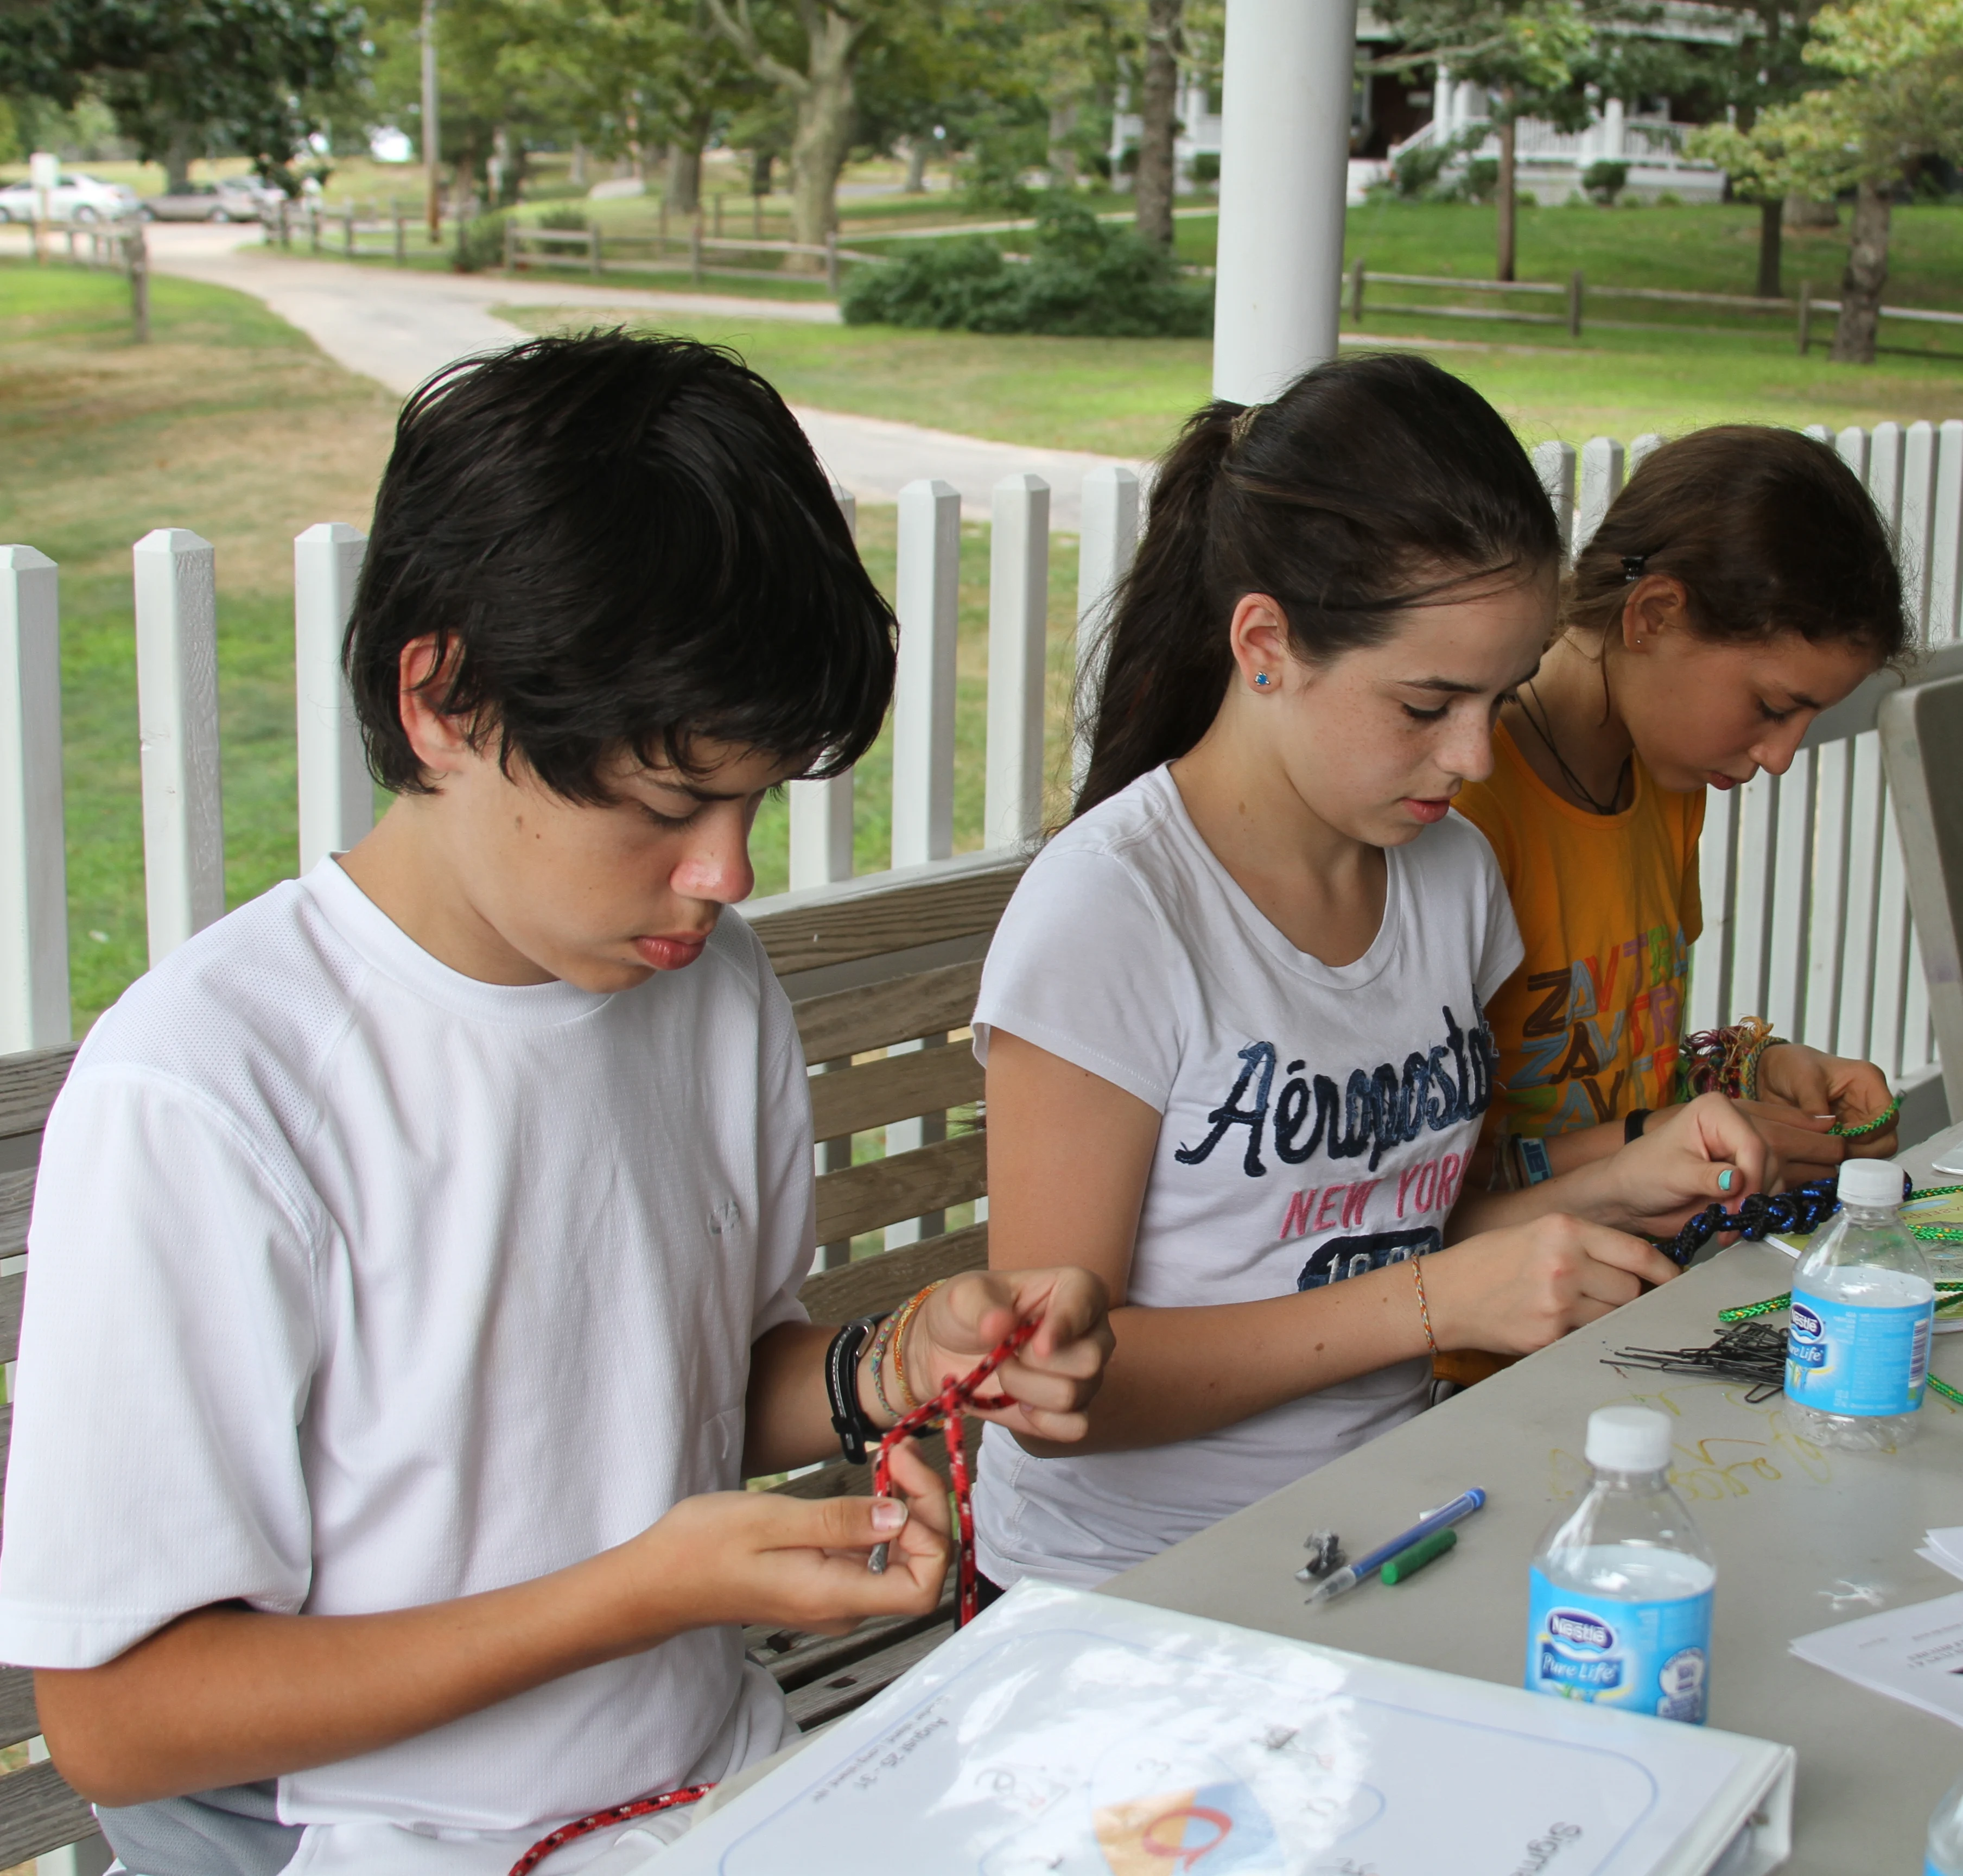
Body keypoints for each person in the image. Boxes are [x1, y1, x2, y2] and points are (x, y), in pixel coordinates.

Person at [0, 334, 1111, 1876]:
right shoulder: (213, 1093)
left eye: (755, 803)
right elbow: (120, 1724)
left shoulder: (701, 989)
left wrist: (881, 1366)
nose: (726, 875)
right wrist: (638, 1593)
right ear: (445, 695)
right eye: (669, 806)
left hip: (724, 1795)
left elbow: (673, 1391)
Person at [968, 354, 1771, 1596]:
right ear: (1264, 644)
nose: (1470, 755)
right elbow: (1051, 1383)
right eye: (1425, 703)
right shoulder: (1115, 913)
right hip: (1131, 1590)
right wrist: (1436, 1307)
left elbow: (1384, 1230)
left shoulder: (1446, 878)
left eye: (1496, 701)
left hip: (1391, 1530)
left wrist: (1616, 1181)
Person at [1454, 426, 1909, 1195]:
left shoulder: (1668, 788)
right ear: (1654, 615)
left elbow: (1621, 1068)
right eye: (1770, 706)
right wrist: (1650, 1139)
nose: (1781, 756)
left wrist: (1755, 1071)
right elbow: (1414, 1189)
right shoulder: (1467, 803)